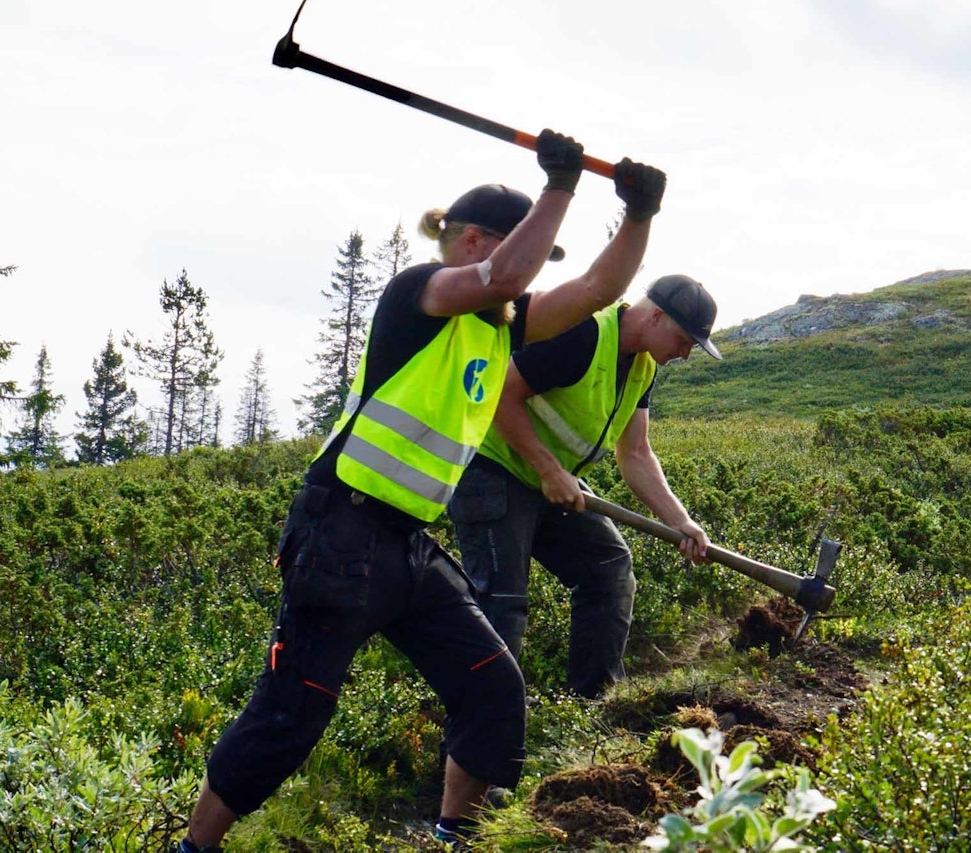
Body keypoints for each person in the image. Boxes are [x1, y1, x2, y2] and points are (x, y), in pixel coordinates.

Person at [176, 130, 666, 853]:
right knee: (292, 714)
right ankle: (194, 846)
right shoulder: (421, 294)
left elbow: (596, 291)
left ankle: (452, 834)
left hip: (405, 545)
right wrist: (560, 187)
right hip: (339, 531)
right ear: (473, 241)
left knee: (493, 685)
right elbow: (503, 279)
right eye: (521, 250)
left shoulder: (504, 327)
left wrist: (639, 215)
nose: (530, 278)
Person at [448, 273, 721, 699]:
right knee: (502, 605)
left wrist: (680, 520)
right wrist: (549, 469)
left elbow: (635, 453)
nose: (686, 353)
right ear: (656, 316)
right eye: (686, 339)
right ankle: (483, 733)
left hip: (548, 482)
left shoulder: (643, 365)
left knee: (608, 569)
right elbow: (497, 391)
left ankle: (593, 706)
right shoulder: (584, 333)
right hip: (491, 471)